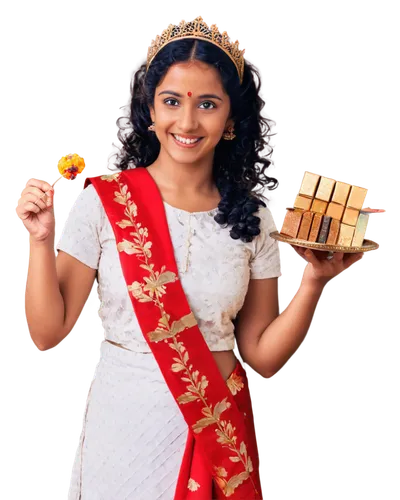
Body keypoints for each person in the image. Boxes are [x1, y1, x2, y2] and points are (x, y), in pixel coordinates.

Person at [14, 14, 366, 500]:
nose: (187, 122)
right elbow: (48, 334)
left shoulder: (259, 221)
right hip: (124, 438)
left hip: (214, 432)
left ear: (231, 120)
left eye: (207, 104)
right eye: (172, 101)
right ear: (151, 109)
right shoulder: (105, 202)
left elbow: (262, 359)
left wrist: (313, 282)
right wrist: (38, 241)